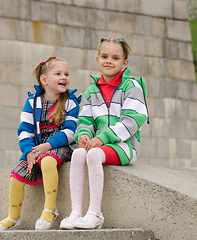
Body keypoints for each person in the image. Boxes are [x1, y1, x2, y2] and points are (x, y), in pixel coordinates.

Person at [59, 37, 149, 230]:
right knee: (78, 152)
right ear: (97, 59)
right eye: (104, 56)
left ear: (125, 63)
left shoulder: (132, 87)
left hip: (124, 146)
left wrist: (103, 137)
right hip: (99, 143)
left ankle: (95, 213)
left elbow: (133, 121)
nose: (109, 61)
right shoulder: (92, 91)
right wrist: (83, 134)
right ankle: (76, 213)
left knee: (93, 153)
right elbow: (86, 120)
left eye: (115, 58)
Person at [0, 56, 81, 231]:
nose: (64, 77)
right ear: (44, 80)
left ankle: (49, 209)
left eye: (66, 74)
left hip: (60, 148)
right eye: (58, 74)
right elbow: (25, 130)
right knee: (16, 174)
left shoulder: (70, 102)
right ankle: (13, 217)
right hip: (36, 149)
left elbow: (71, 131)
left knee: (47, 160)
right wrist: (28, 153)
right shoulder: (32, 102)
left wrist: (48, 146)